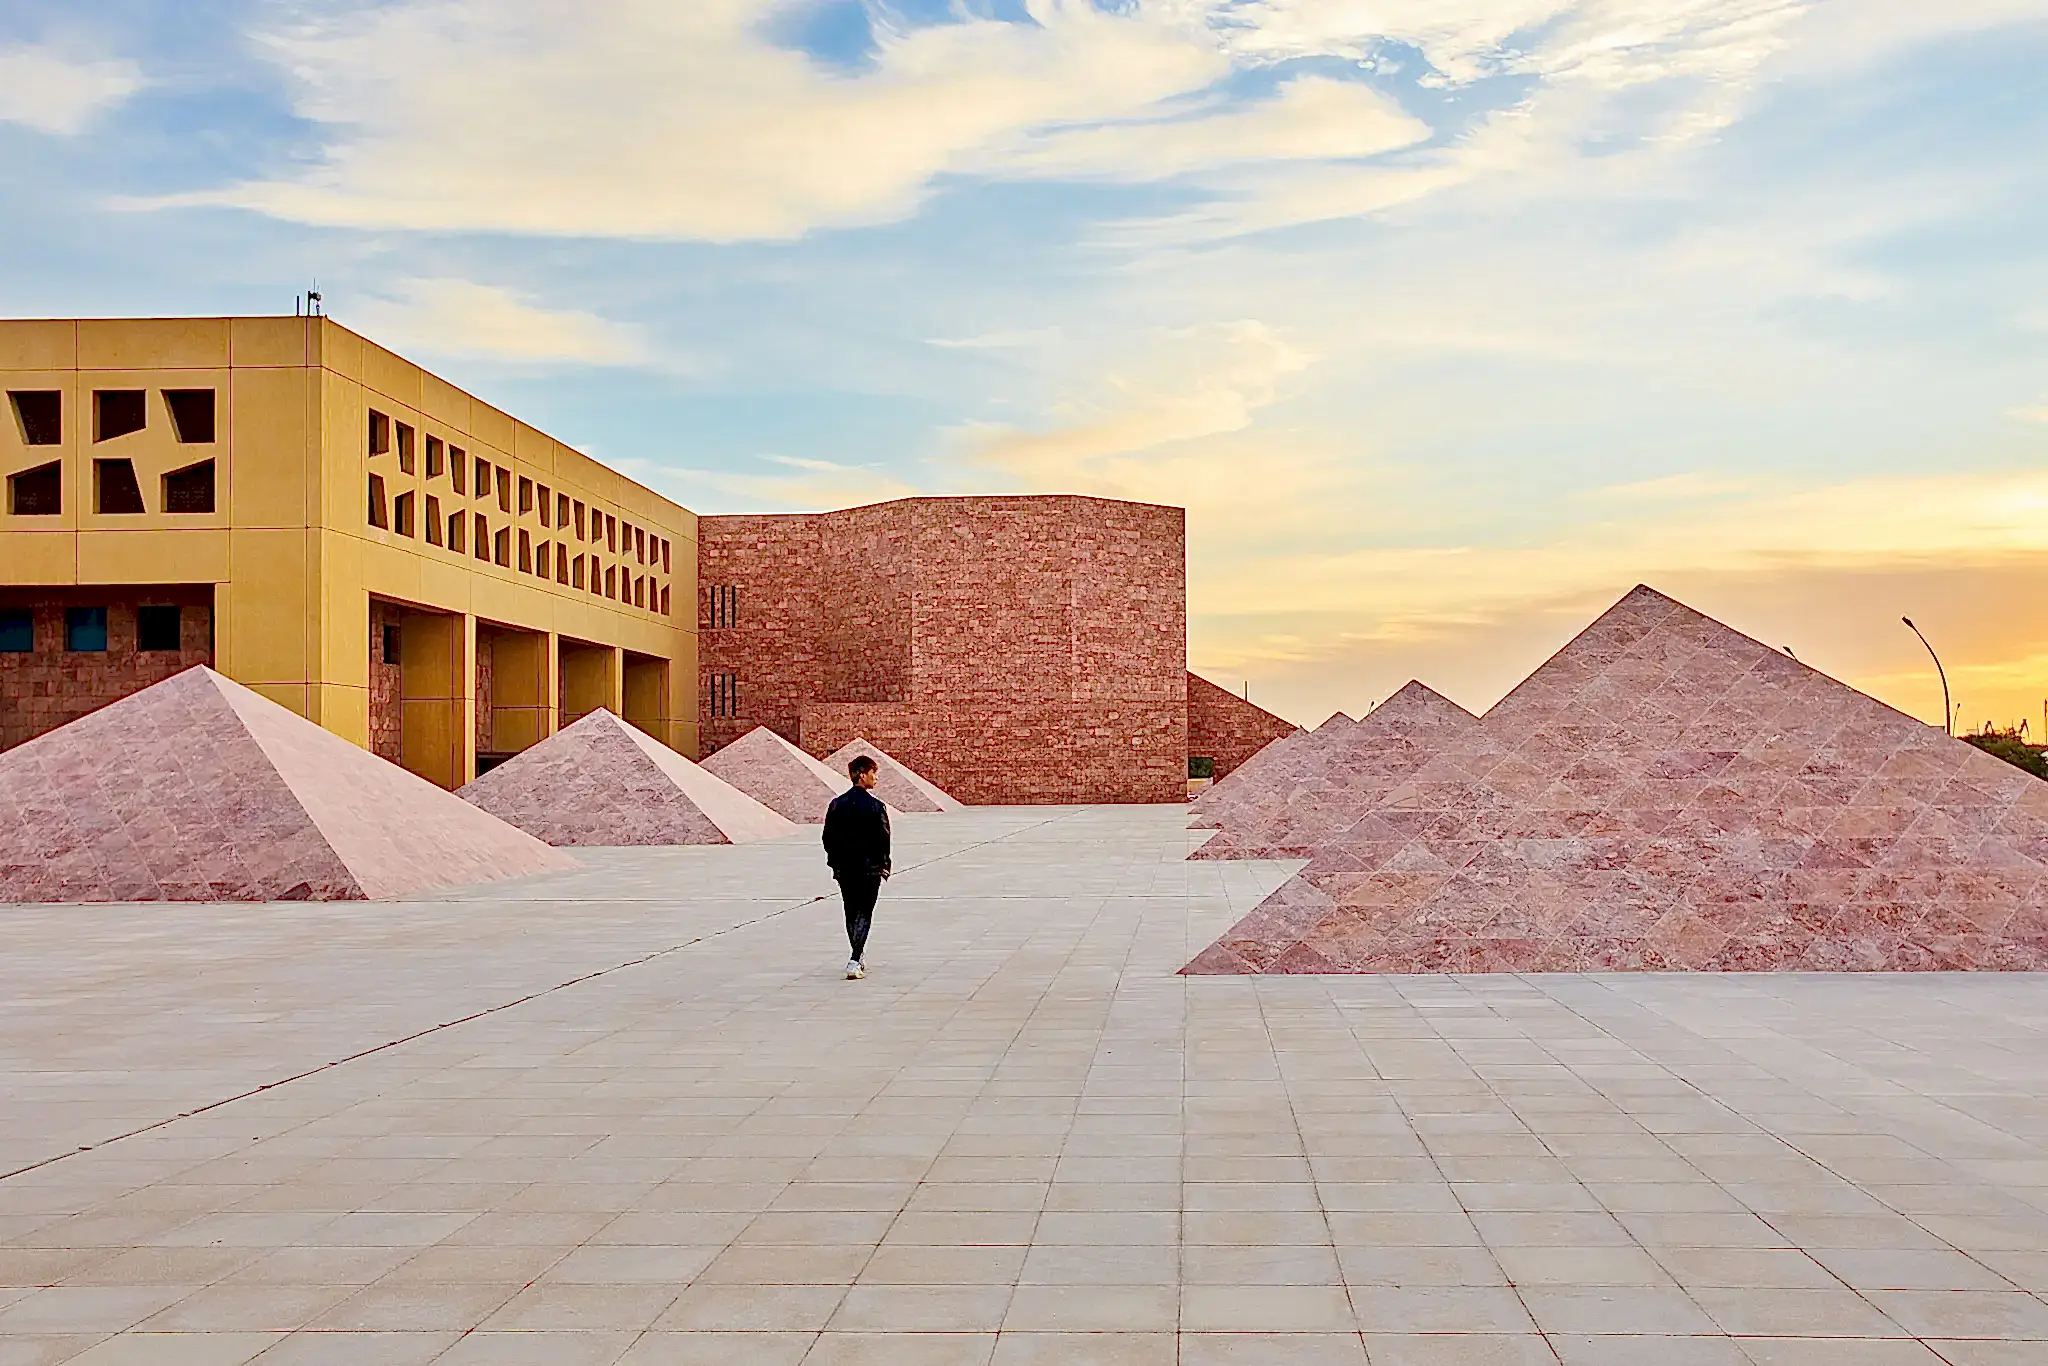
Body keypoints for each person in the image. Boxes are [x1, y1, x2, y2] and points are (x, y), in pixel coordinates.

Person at [822, 753, 891, 979]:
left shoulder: (836, 805)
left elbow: (827, 838)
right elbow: (883, 838)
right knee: (865, 912)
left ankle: (857, 956)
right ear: (862, 775)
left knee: (851, 911)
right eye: (873, 774)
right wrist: (884, 865)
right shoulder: (876, 806)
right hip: (869, 869)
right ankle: (855, 958)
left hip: (845, 869)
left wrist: (835, 862)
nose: (875, 779)